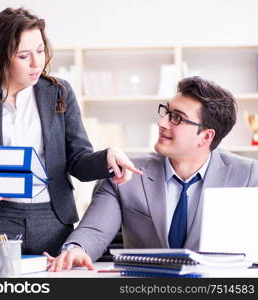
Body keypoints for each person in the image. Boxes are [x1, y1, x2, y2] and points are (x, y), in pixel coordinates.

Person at [0, 7, 142, 256]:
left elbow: (78, 161)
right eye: (23, 56)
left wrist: (108, 156)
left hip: (53, 219)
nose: (36, 63)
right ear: (2, 56)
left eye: (40, 50)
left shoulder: (59, 92)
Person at [47, 76, 258, 271]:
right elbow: (94, 231)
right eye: (166, 112)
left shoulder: (249, 175)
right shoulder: (125, 172)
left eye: (176, 118)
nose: (162, 122)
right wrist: (75, 249)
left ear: (205, 136)